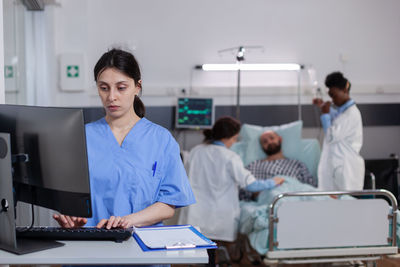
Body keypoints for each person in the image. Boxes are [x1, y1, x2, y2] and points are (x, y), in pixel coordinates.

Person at [53, 48, 195, 232]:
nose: (111, 97)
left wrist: (127, 221)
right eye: (104, 88)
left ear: (137, 87)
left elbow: (169, 204)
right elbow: (68, 198)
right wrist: (71, 218)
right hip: (91, 247)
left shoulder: (161, 140)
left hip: (143, 246)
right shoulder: (80, 138)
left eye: (121, 88)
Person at [178, 116, 284, 266]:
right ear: (228, 138)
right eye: (234, 139)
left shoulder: (196, 151)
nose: (234, 143)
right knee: (212, 248)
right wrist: (273, 181)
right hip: (219, 214)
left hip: (196, 212)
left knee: (202, 250)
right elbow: (251, 185)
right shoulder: (230, 156)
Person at [313, 71, 364, 191]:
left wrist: (325, 114)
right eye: (330, 96)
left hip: (345, 168)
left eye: (334, 96)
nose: (333, 100)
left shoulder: (351, 114)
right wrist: (323, 107)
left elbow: (331, 136)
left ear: (345, 91)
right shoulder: (343, 112)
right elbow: (336, 119)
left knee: (346, 204)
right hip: (338, 166)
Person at [240, 130, 316, 201]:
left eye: (272, 138)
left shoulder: (297, 164)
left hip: (295, 196)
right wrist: (259, 191)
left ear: (280, 139)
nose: (269, 142)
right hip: (270, 197)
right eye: (265, 141)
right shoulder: (253, 166)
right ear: (262, 147)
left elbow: (311, 187)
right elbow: (243, 191)